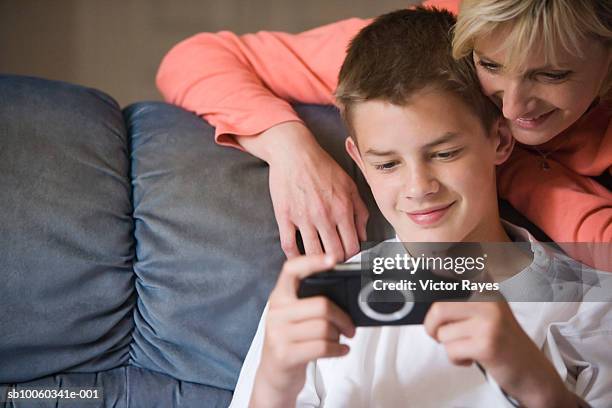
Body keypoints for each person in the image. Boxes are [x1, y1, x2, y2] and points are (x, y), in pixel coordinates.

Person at [228, 8, 611, 408]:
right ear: (359, 162)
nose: (418, 187)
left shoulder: (592, 305)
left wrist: (534, 383)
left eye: (445, 153)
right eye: (387, 164)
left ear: (500, 140)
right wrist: (274, 386)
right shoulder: (313, 308)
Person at [156, 0, 612, 265]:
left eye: (552, 76)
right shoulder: (440, 51)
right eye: (491, 66)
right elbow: (195, 58)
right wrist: (290, 149)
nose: (510, 107)